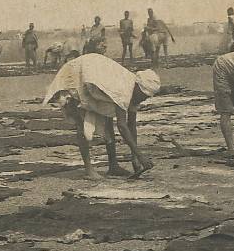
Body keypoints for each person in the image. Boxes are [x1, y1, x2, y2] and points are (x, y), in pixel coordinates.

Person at [43, 52, 161, 180]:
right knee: (82, 122)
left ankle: (113, 166)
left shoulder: (135, 93)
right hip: (79, 73)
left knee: (107, 117)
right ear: (138, 87)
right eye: (144, 96)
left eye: (147, 97)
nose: (143, 100)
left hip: (96, 77)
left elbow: (131, 125)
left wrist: (135, 158)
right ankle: (89, 170)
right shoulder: (123, 89)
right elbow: (122, 126)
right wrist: (140, 155)